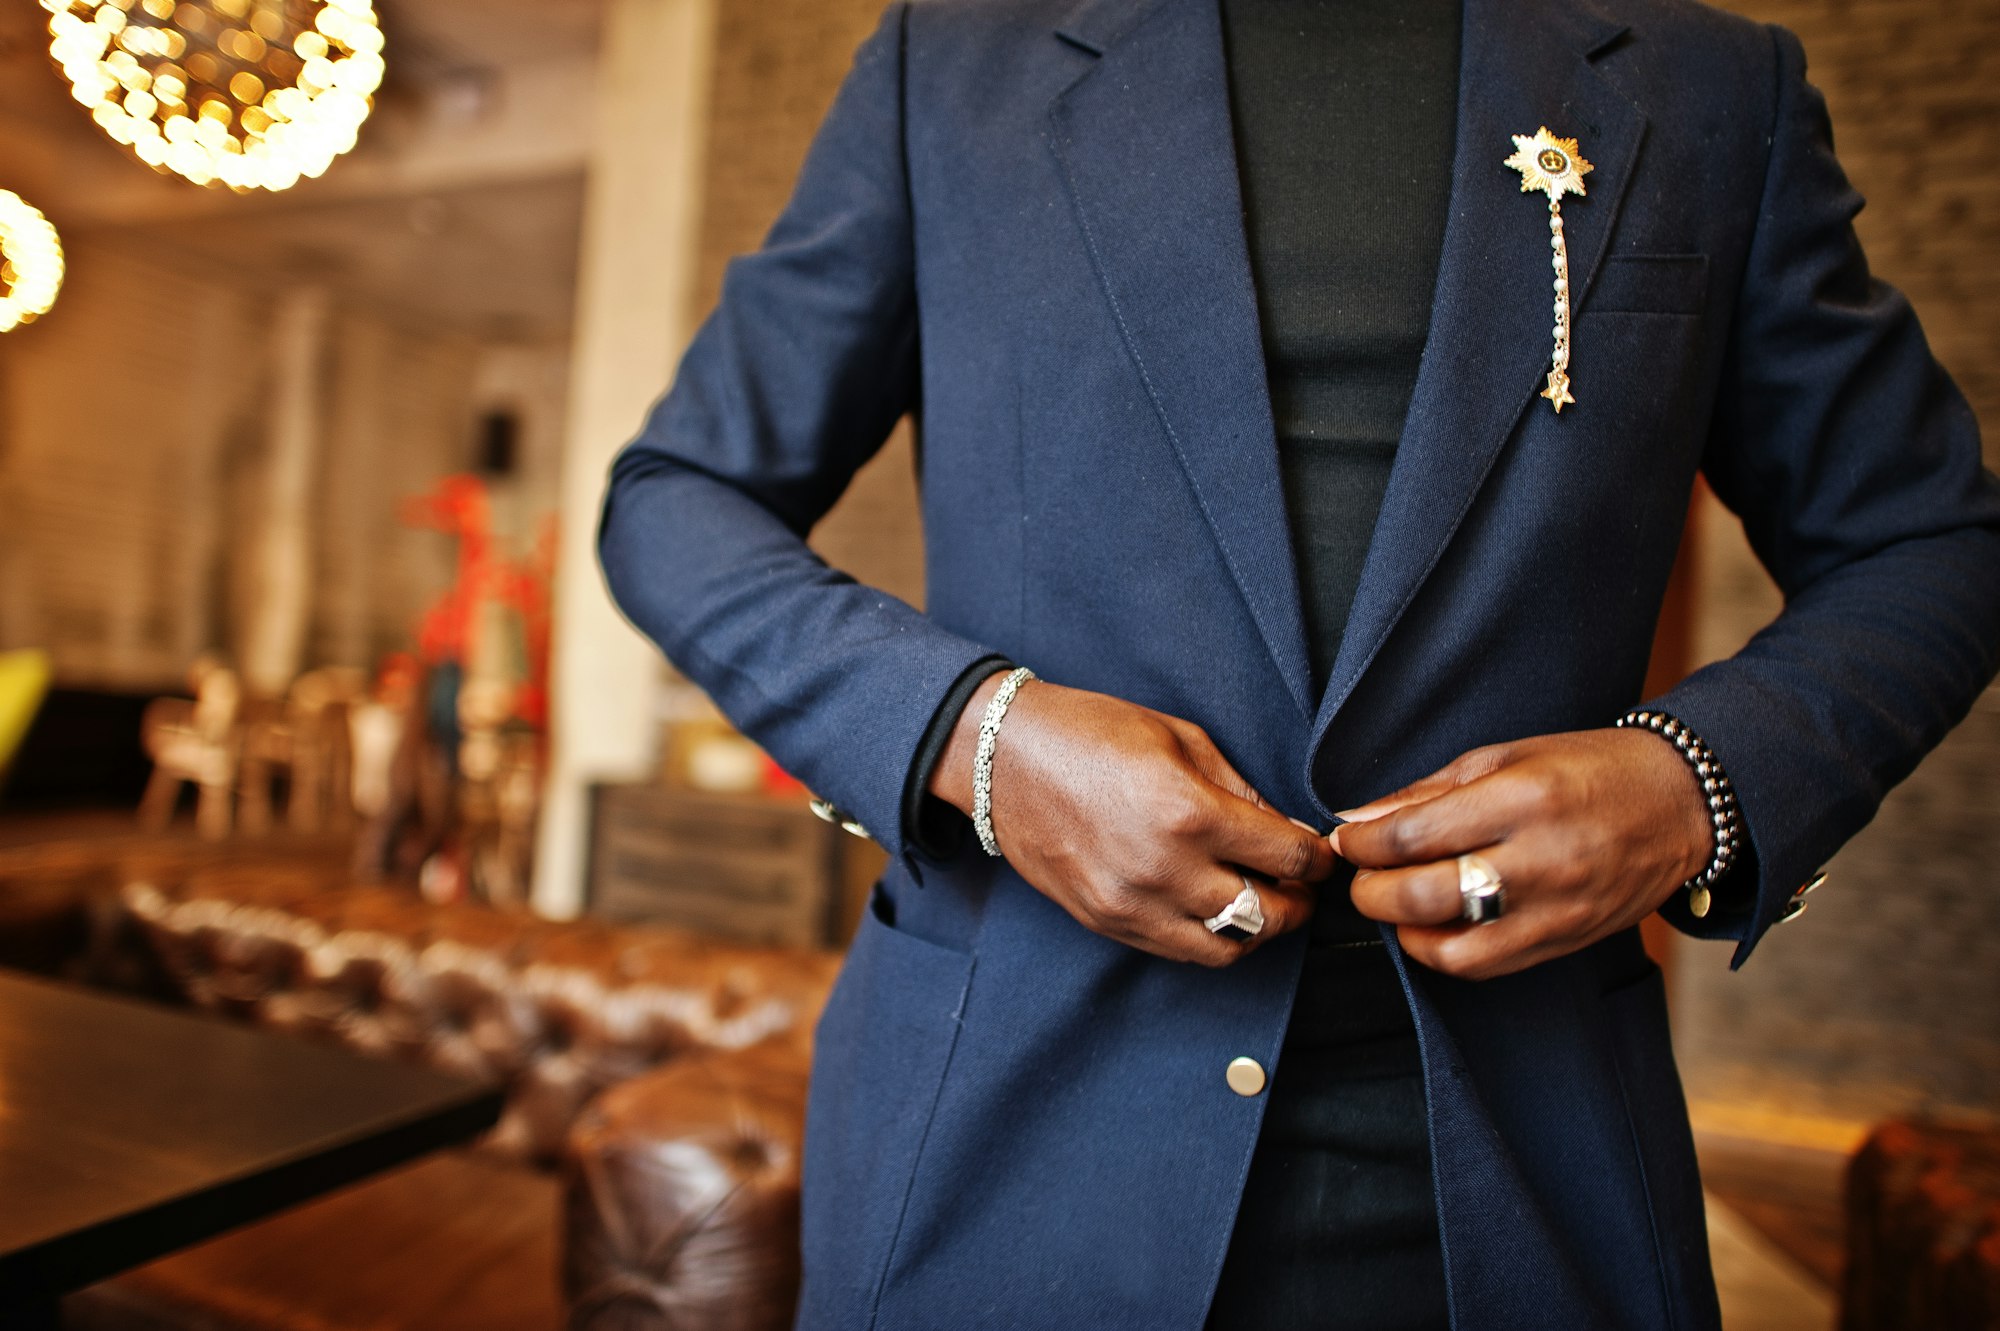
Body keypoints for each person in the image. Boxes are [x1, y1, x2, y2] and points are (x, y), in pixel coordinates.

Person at [597, 0, 2000, 1324]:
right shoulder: (952, 60)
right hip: (1003, 1148)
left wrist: (1693, 785)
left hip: (1525, 1177)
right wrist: (979, 739)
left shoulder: (1707, 88)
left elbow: (1936, 541)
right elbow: (674, 500)